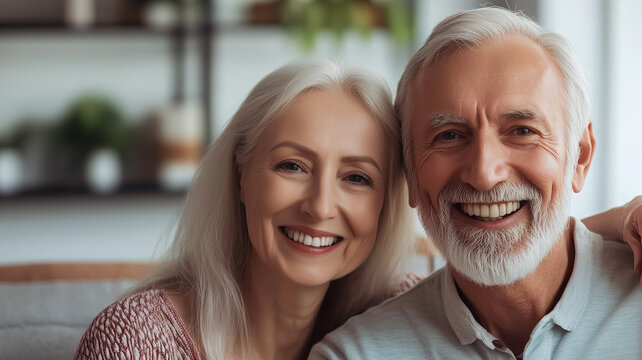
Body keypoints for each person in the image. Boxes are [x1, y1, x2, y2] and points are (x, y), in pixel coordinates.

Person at [74, 59, 639, 359]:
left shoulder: (388, 314)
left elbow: (496, 254)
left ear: (393, 199)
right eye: (291, 166)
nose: (321, 205)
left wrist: (614, 223)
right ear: (240, 176)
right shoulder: (142, 338)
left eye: (356, 178)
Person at [310, 7, 642, 360]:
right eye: (449, 135)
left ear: (580, 157)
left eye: (522, 131)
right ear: (409, 171)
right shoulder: (355, 354)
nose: (484, 175)